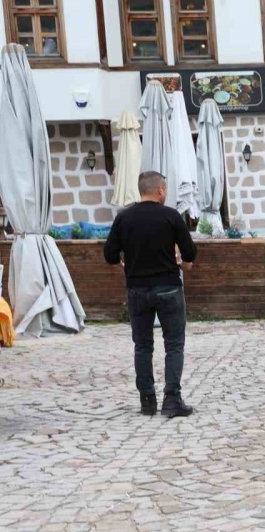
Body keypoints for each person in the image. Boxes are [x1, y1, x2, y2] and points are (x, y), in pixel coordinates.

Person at [103, 171, 196, 418]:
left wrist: (126, 270)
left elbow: (110, 255)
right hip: (168, 287)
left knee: (143, 346)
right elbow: (189, 252)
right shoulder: (171, 216)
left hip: (137, 289)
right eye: (165, 190)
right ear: (160, 191)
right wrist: (185, 265)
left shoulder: (124, 218)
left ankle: (147, 401)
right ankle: (172, 400)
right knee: (174, 345)